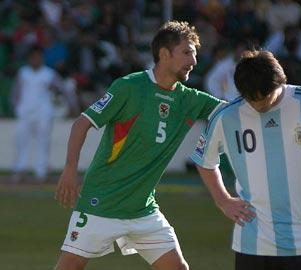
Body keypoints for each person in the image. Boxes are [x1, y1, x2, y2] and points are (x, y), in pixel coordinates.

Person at [54, 21, 223, 270]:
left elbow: (231, 112)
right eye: (187, 52)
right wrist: (70, 170)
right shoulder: (129, 87)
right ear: (164, 54)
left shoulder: (189, 99)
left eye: (195, 54)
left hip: (143, 209)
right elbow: (82, 123)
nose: (193, 61)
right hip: (101, 202)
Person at [191, 50, 301, 270]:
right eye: (251, 99)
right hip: (252, 246)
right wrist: (222, 199)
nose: (259, 105)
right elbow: (204, 159)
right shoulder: (227, 116)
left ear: (279, 82)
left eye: (264, 97)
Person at [10, 46, 75, 182]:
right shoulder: (23, 73)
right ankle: (20, 169)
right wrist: (16, 107)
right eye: (33, 57)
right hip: (25, 111)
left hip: (43, 112)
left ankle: (41, 171)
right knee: (21, 141)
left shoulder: (49, 74)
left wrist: (71, 105)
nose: (36, 60)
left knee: (43, 141)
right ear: (29, 59)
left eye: (38, 57)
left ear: (42, 58)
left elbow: (63, 89)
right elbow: (15, 91)